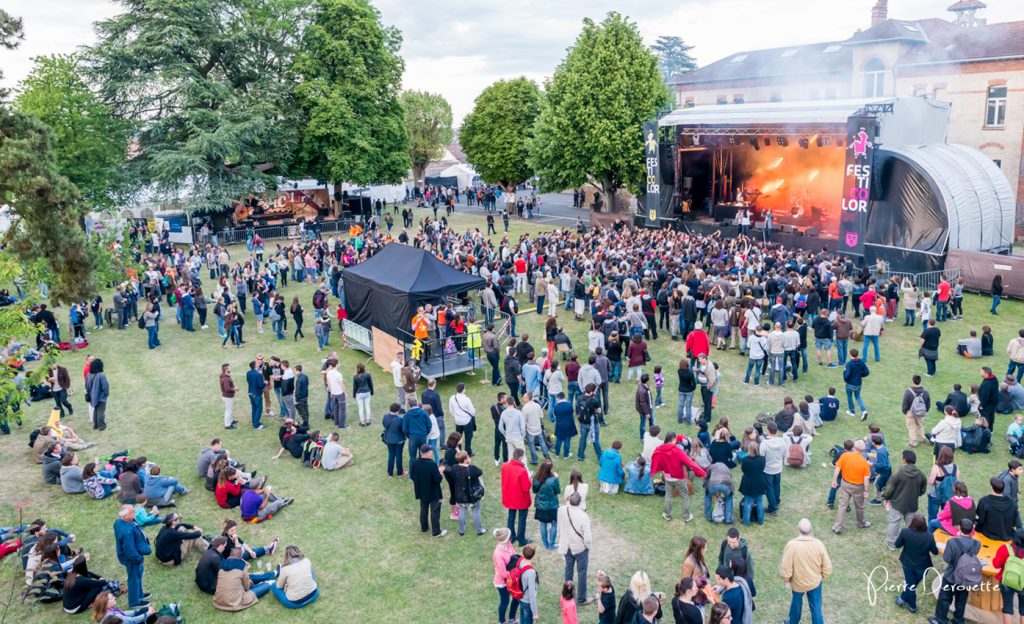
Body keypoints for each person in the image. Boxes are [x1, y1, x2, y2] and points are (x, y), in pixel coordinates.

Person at [780, 518, 831, 624]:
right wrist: (823, 576)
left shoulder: (792, 545)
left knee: (796, 604)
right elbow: (827, 567)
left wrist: (787, 580)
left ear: (797, 529)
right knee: (816, 608)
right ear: (811, 530)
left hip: (797, 583)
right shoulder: (819, 544)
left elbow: (786, 568)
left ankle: (793, 622)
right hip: (815, 582)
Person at [930, 519, 981, 624]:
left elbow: (947, 559)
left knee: (944, 599)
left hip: (951, 576)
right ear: (972, 529)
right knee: (961, 601)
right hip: (965, 578)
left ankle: (940, 619)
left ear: (960, 528)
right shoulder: (977, 544)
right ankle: (958, 620)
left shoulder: (952, 542)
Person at [651, 429, 707, 522]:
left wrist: (654, 471)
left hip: (667, 477)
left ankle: (666, 514)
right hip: (678, 477)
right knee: (684, 496)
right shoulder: (677, 450)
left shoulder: (659, 449)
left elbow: (655, 459)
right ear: (673, 439)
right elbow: (689, 462)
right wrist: (702, 473)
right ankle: (686, 516)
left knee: (668, 495)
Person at [893, 512, 938, 615]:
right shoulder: (929, 536)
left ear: (912, 523)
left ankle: (907, 602)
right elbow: (935, 552)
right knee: (911, 585)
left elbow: (897, 544)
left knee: (910, 585)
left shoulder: (905, 532)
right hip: (923, 566)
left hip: (907, 564)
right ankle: (907, 603)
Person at [881, 450, 927, 549]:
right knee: (911, 525)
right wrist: (915, 494)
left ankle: (891, 543)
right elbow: (923, 490)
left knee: (894, 523)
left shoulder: (899, 473)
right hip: (912, 504)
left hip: (897, 503)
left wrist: (886, 498)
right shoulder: (921, 474)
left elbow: (889, 487)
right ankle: (909, 543)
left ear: (905, 460)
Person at [558, 492, 592, 607]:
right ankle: (581, 598)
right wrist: (588, 546)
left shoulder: (562, 510)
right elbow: (587, 537)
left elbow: (559, 525)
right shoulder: (584, 516)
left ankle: (566, 594)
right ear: (580, 502)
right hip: (580, 547)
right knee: (582, 572)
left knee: (568, 569)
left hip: (566, 545)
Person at [113, 505, 151, 608]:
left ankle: (140, 594)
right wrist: (139, 559)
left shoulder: (118, 522)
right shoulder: (127, 531)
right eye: (133, 512)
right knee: (133, 578)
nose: (135, 513)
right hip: (132, 559)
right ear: (126, 516)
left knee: (138, 575)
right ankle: (134, 602)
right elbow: (130, 550)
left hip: (130, 556)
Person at [831, 439, 872, 534]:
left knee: (842, 506)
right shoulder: (864, 462)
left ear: (854, 446)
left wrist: (834, 480)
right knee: (859, 506)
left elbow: (837, 468)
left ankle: (837, 527)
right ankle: (861, 523)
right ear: (863, 449)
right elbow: (866, 479)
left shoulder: (845, 456)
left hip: (845, 484)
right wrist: (866, 491)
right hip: (858, 487)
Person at [410, 444, 446, 538]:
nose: (432, 453)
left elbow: (412, 476)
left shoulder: (415, 463)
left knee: (423, 509)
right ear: (426, 453)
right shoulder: (432, 465)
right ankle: (436, 532)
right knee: (435, 511)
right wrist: (441, 472)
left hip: (422, 491)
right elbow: (438, 479)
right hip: (433, 492)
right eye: (430, 451)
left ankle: (424, 527)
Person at [976, 476, 1021, 541]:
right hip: (1007, 535)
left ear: (992, 487)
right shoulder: (1013, 503)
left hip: (989, 534)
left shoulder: (984, 501)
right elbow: (1016, 523)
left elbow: (980, 520)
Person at [451, 450, 485, 536]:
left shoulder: (454, 468)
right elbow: (480, 472)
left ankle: (461, 530)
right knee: (476, 511)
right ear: (465, 459)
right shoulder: (472, 468)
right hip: (472, 495)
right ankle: (479, 530)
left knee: (462, 511)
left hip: (460, 495)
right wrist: (469, 463)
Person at [492, 528, 519, 624]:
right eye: (510, 537)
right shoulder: (498, 554)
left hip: (512, 578)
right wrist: (516, 574)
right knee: (505, 602)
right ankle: (502, 621)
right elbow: (503, 573)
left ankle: (512, 618)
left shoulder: (509, 545)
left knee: (517, 597)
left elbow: (514, 556)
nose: (511, 539)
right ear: (506, 540)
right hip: (502, 582)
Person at [532, 459, 561, 550]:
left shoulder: (536, 478)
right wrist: (556, 478)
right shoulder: (553, 480)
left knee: (543, 524)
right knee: (554, 524)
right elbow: (558, 491)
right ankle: (551, 544)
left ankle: (545, 544)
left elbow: (534, 491)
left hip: (540, 506)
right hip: (552, 506)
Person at [739, 443, 767, 526]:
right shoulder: (762, 459)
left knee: (748, 502)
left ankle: (746, 521)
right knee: (759, 501)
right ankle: (760, 520)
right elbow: (763, 468)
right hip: (759, 482)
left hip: (748, 482)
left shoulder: (745, 460)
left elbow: (743, 470)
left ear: (749, 449)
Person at [90, 590, 156, 624]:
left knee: (144, 610)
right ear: (105, 603)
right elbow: (132, 621)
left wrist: (138, 611)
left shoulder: (106, 610)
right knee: (148, 615)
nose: (115, 597)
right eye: (112, 598)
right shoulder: (111, 616)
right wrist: (148, 613)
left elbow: (124, 613)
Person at [902, 375, 931, 448]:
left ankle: (913, 442)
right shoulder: (925, 391)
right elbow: (928, 402)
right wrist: (926, 410)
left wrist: (905, 411)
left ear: (912, 381)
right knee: (920, 425)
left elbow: (905, 403)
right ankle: (922, 438)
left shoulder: (908, 391)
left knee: (911, 427)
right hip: (921, 412)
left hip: (910, 412)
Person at [450, 383, 477, 457]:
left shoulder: (452, 398)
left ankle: (458, 450)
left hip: (458, 421)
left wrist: (455, 416)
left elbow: (451, 409)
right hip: (467, 421)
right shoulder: (466, 399)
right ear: (463, 390)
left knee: (458, 437)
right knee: (468, 436)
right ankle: (468, 451)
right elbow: (472, 412)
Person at [842, 348, 869, 420]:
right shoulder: (861, 362)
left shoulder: (849, 364)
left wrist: (844, 373)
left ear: (851, 354)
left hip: (850, 384)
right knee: (858, 397)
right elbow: (867, 372)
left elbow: (847, 375)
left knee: (849, 397)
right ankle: (864, 410)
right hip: (858, 384)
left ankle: (852, 411)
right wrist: (860, 375)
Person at [382, 403, 406, 477]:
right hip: (399, 440)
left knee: (391, 455)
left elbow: (385, 425)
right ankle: (400, 472)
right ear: (397, 410)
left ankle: (390, 472)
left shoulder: (385, 417)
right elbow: (403, 429)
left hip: (389, 439)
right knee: (399, 455)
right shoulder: (399, 420)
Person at [517, 545, 540, 623]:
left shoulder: (520, 562)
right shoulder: (531, 573)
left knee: (522, 618)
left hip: (520, 597)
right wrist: (535, 613)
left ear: (523, 554)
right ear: (533, 556)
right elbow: (531, 594)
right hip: (527, 601)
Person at [85, 358, 109, 430]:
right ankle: (102, 426)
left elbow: (86, 386)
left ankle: (96, 425)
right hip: (100, 397)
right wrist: (106, 394)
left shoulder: (88, 375)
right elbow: (105, 387)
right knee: (101, 411)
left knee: (96, 410)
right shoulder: (101, 375)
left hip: (92, 396)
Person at [245, 360, 266, 430]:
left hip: (250, 392)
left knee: (254, 408)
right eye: (257, 363)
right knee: (259, 409)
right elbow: (261, 385)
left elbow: (248, 381)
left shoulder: (248, 373)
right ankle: (256, 425)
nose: (258, 364)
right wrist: (265, 383)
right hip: (257, 394)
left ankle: (254, 422)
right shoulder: (258, 374)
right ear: (255, 366)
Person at [219, 364, 238, 429]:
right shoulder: (226, 379)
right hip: (228, 397)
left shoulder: (224, 375)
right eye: (229, 368)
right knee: (228, 411)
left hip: (227, 396)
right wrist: (234, 389)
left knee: (230, 410)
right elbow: (227, 388)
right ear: (226, 369)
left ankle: (231, 421)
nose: (230, 369)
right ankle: (227, 425)